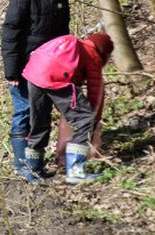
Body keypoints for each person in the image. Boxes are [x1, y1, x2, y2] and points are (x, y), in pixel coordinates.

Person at [1, 0, 77, 181]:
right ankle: (22, 165)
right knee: (25, 110)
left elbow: (63, 33)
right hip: (24, 66)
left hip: (50, 68)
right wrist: (12, 71)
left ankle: (36, 163)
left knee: (41, 114)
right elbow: (10, 31)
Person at [23, 33, 114, 184]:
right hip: (55, 75)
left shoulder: (74, 45)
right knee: (85, 118)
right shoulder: (94, 55)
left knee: (39, 121)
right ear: (104, 52)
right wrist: (95, 120)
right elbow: (96, 92)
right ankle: (75, 171)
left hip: (34, 73)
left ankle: (33, 171)